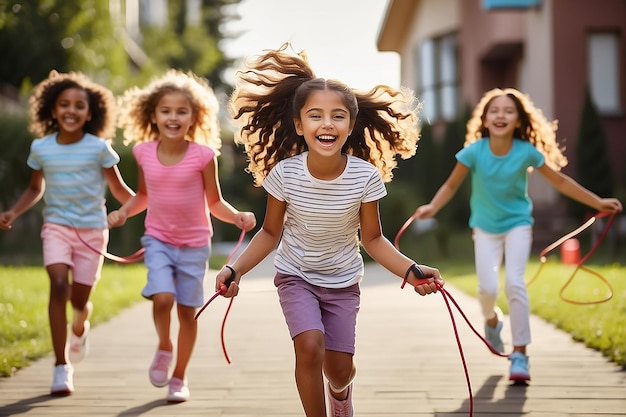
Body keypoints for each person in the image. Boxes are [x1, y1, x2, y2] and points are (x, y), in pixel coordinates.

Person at [216, 44, 444, 417]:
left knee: (338, 370)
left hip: (342, 281)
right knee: (308, 346)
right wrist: (233, 269)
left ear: (350, 126)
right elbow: (270, 234)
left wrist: (411, 270)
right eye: (316, 116)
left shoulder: (364, 177)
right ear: (299, 124)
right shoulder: (285, 174)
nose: (327, 124)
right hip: (296, 276)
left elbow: (372, 239)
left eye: (338, 116)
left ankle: (341, 394)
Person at [413, 88, 623, 382]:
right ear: (485, 119)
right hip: (484, 227)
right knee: (486, 289)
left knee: (514, 283)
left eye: (508, 111)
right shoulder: (474, 151)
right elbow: (450, 186)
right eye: (494, 110)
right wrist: (433, 206)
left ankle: (520, 354)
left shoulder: (526, 152)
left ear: (518, 120)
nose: (501, 115)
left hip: (517, 225)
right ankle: (492, 321)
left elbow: (561, 182)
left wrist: (597, 202)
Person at [107, 69, 256, 403]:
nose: (173, 117)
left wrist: (236, 217)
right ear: (153, 116)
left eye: (181, 111)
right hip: (158, 240)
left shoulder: (203, 157)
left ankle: (179, 376)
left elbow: (214, 202)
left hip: (193, 246)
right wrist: (123, 212)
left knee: (187, 312)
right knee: (161, 298)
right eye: (166, 111)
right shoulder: (144, 153)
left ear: (194, 117)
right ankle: (164, 345)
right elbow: (142, 196)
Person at [0, 70, 135, 395]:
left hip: (93, 232)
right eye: (64, 104)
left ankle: (80, 323)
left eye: (79, 106)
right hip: (57, 228)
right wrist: (14, 211)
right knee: (58, 286)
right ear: (53, 109)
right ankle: (61, 367)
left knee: (79, 300)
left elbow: (121, 190)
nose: (71, 110)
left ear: (90, 113)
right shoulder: (41, 148)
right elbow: (36, 187)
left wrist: (136, 209)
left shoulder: (98, 148)